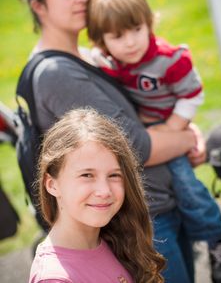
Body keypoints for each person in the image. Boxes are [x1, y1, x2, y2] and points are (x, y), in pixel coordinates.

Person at [14, 0, 221, 283]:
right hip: (144, 220)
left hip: (158, 209)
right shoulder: (58, 72)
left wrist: (184, 131)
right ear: (38, 5)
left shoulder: (87, 56)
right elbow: (137, 147)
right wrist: (187, 137)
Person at [86, 0, 221, 280]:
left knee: (187, 188)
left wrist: (175, 127)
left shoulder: (169, 59)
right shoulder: (112, 61)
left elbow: (193, 94)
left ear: (149, 22)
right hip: (147, 130)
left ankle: (217, 241)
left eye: (137, 29)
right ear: (102, 40)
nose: (130, 42)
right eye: (118, 36)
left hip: (169, 125)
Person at [29, 108, 165, 282]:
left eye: (114, 175)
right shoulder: (55, 278)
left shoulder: (116, 240)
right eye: (87, 175)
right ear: (52, 184)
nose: (104, 191)